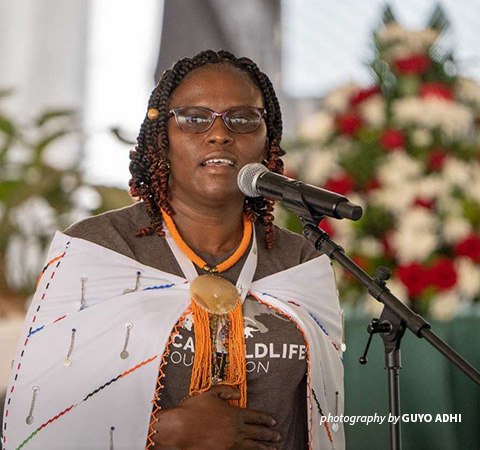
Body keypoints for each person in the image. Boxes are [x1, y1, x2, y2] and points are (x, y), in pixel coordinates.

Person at [2, 50, 344, 450]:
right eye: (194, 118)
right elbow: (38, 416)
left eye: (243, 118)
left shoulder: (299, 262)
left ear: (269, 139)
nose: (219, 134)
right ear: (161, 139)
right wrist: (164, 432)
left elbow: (321, 420)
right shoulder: (99, 249)